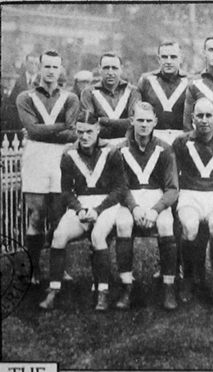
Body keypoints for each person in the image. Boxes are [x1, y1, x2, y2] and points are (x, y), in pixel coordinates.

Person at [38, 111, 129, 311]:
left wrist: (98, 210)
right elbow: (66, 190)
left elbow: (119, 189)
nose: (84, 136)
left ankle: (102, 292)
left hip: (107, 205)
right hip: (81, 204)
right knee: (59, 235)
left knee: (98, 236)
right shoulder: (69, 153)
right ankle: (54, 289)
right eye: (80, 132)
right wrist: (78, 209)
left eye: (89, 131)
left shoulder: (112, 152)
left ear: (98, 129)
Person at [16, 49, 79, 284]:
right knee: (36, 214)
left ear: (61, 68)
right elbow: (32, 130)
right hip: (35, 157)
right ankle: (33, 269)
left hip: (60, 158)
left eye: (55, 67)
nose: (51, 71)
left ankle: (58, 268)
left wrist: (47, 130)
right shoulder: (26, 97)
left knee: (57, 216)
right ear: (39, 68)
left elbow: (73, 133)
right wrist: (61, 126)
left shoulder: (70, 98)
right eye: (47, 66)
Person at [172, 97, 213, 305]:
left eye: (208, 115)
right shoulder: (181, 142)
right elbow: (174, 177)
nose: (204, 120)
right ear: (192, 118)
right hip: (190, 193)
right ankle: (190, 279)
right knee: (190, 227)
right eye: (199, 116)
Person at [114, 102, 179, 310]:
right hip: (130, 199)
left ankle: (168, 285)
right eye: (139, 120)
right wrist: (134, 208)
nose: (143, 124)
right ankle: (126, 285)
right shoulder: (120, 149)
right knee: (123, 223)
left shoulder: (165, 148)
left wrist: (155, 210)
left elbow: (172, 189)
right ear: (131, 121)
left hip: (156, 198)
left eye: (148, 120)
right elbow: (120, 187)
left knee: (166, 225)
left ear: (155, 122)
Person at [80, 52, 141, 146]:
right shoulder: (88, 93)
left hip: (128, 146)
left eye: (114, 68)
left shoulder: (133, 92)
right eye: (106, 68)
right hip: (98, 147)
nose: (110, 72)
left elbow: (134, 123)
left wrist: (101, 120)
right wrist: (122, 125)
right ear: (99, 69)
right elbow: (89, 125)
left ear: (121, 69)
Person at [137, 41, 189, 145]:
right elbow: (138, 112)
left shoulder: (190, 81)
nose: (168, 61)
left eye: (173, 57)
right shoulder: (146, 80)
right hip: (153, 138)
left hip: (182, 138)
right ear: (159, 59)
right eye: (164, 57)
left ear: (181, 59)